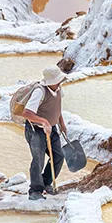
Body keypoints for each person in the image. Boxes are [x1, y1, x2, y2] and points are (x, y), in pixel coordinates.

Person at [22, 66, 67, 201]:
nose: (60, 82)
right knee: (38, 160)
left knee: (58, 156)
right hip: (36, 130)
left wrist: (61, 123)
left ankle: (46, 183)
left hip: (51, 129)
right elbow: (27, 113)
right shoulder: (39, 92)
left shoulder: (58, 89)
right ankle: (35, 191)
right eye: (57, 80)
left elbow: (56, 108)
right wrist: (44, 122)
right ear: (49, 82)